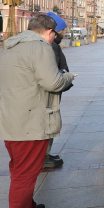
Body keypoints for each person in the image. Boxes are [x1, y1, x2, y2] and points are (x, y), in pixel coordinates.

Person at [0, 14, 75, 208]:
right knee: (26, 174)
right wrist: (68, 77)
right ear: (50, 32)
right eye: (55, 36)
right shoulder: (40, 48)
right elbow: (53, 82)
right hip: (30, 121)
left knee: (19, 169)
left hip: (11, 119)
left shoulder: (12, 46)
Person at [43, 12, 72, 169]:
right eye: (62, 31)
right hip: (51, 92)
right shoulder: (51, 46)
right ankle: (44, 156)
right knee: (48, 123)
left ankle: (45, 154)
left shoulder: (53, 45)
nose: (63, 34)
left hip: (53, 89)